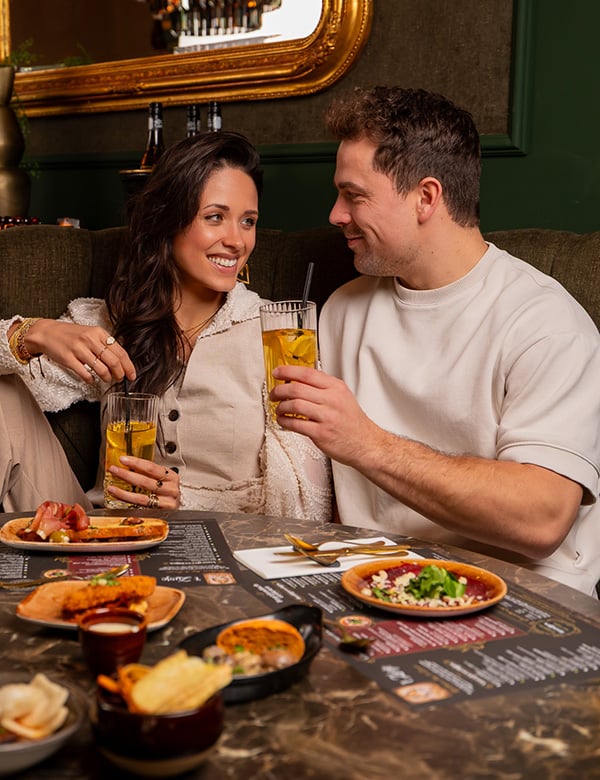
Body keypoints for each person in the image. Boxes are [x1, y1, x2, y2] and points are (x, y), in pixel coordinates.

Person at [270, 86, 600, 596]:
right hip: (371, 584)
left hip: (520, 599)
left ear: (426, 197)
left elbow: (542, 519)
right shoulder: (341, 311)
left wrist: (366, 442)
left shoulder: (545, 324)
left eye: (354, 196)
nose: (335, 214)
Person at [0, 131, 331, 520]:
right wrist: (35, 333)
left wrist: (188, 503)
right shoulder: (114, 322)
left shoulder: (278, 335)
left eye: (248, 221)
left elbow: (309, 507)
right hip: (102, 533)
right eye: (215, 217)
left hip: (224, 550)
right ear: (168, 220)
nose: (237, 241)